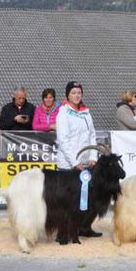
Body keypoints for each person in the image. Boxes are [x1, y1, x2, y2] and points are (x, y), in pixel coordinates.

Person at [56, 81, 99, 237]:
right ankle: (64, 231)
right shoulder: (63, 112)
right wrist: (75, 163)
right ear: (68, 94)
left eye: (79, 92)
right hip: (68, 164)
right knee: (67, 200)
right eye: (73, 92)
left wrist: (93, 156)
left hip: (86, 163)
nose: (77, 95)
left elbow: (92, 135)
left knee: (85, 199)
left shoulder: (86, 112)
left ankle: (84, 228)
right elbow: (63, 139)